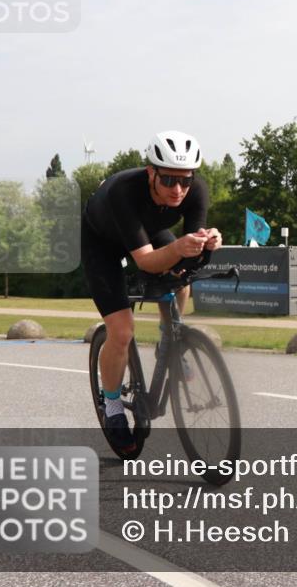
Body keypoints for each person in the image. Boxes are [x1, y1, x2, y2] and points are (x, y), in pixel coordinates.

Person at [81, 130, 222, 453]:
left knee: (181, 282)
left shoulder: (196, 191)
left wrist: (211, 241)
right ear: (151, 173)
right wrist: (181, 250)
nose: (178, 190)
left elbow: (190, 255)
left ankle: (167, 340)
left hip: (149, 231)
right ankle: (113, 406)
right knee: (121, 331)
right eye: (169, 180)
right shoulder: (124, 192)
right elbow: (146, 262)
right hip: (101, 239)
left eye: (184, 181)